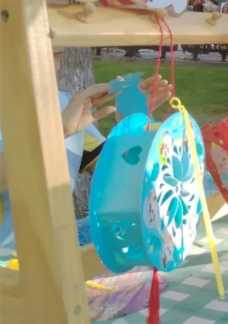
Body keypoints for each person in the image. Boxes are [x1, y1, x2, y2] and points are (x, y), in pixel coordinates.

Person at [0, 48, 171, 250]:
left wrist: (129, 125)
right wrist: (53, 134)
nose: (53, 39)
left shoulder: (62, 104)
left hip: (54, 256)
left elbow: (116, 176)